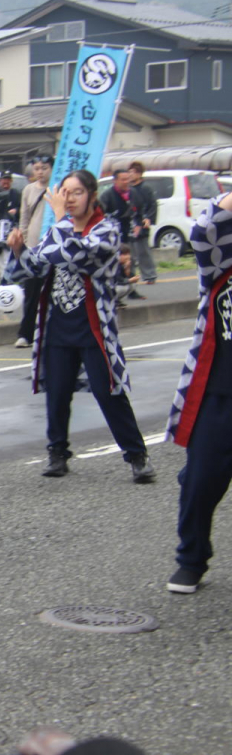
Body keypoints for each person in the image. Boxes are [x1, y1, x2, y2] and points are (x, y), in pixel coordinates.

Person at [6, 170, 155, 483]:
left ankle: (136, 455)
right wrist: (19, 249)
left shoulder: (107, 229)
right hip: (58, 325)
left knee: (108, 391)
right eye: (65, 192)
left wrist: (58, 219)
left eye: (76, 192)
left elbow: (75, 254)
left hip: (93, 326)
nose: (69, 199)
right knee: (57, 393)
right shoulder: (58, 229)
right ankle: (57, 453)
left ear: (91, 195)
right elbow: (34, 266)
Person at [163, 189, 232, 594]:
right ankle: (191, 559)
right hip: (219, 391)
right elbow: (204, 231)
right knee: (201, 482)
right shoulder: (221, 263)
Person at [14, 157, 52, 348]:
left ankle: (49, 332)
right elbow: (24, 218)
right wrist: (23, 243)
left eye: (44, 168)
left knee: (53, 292)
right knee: (31, 293)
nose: (40, 172)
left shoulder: (58, 188)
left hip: (54, 248)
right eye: (37, 168)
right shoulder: (28, 190)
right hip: (33, 248)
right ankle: (26, 334)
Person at [98, 169, 145, 300]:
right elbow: (100, 214)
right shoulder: (107, 195)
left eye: (128, 179)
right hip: (112, 235)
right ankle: (115, 290)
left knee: (131, 261)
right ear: (115, 180)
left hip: (128, 232)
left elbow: (140, 211)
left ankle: (132, 289)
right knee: (115, 263)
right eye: (123, 179)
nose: (126, 182)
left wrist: (139, 225)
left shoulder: (133, 193)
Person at [127, 161, 158, 284]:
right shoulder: (128, 189)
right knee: (129, 253)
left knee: (143, 250)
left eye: (132, 172)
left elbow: (152, 204)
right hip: (130, 223)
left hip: (142, 222)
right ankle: (131, 276)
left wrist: (148, 218)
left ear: (139, 174)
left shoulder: (145, 188)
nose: (130, 175)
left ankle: (150, 275)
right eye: (129, 172)